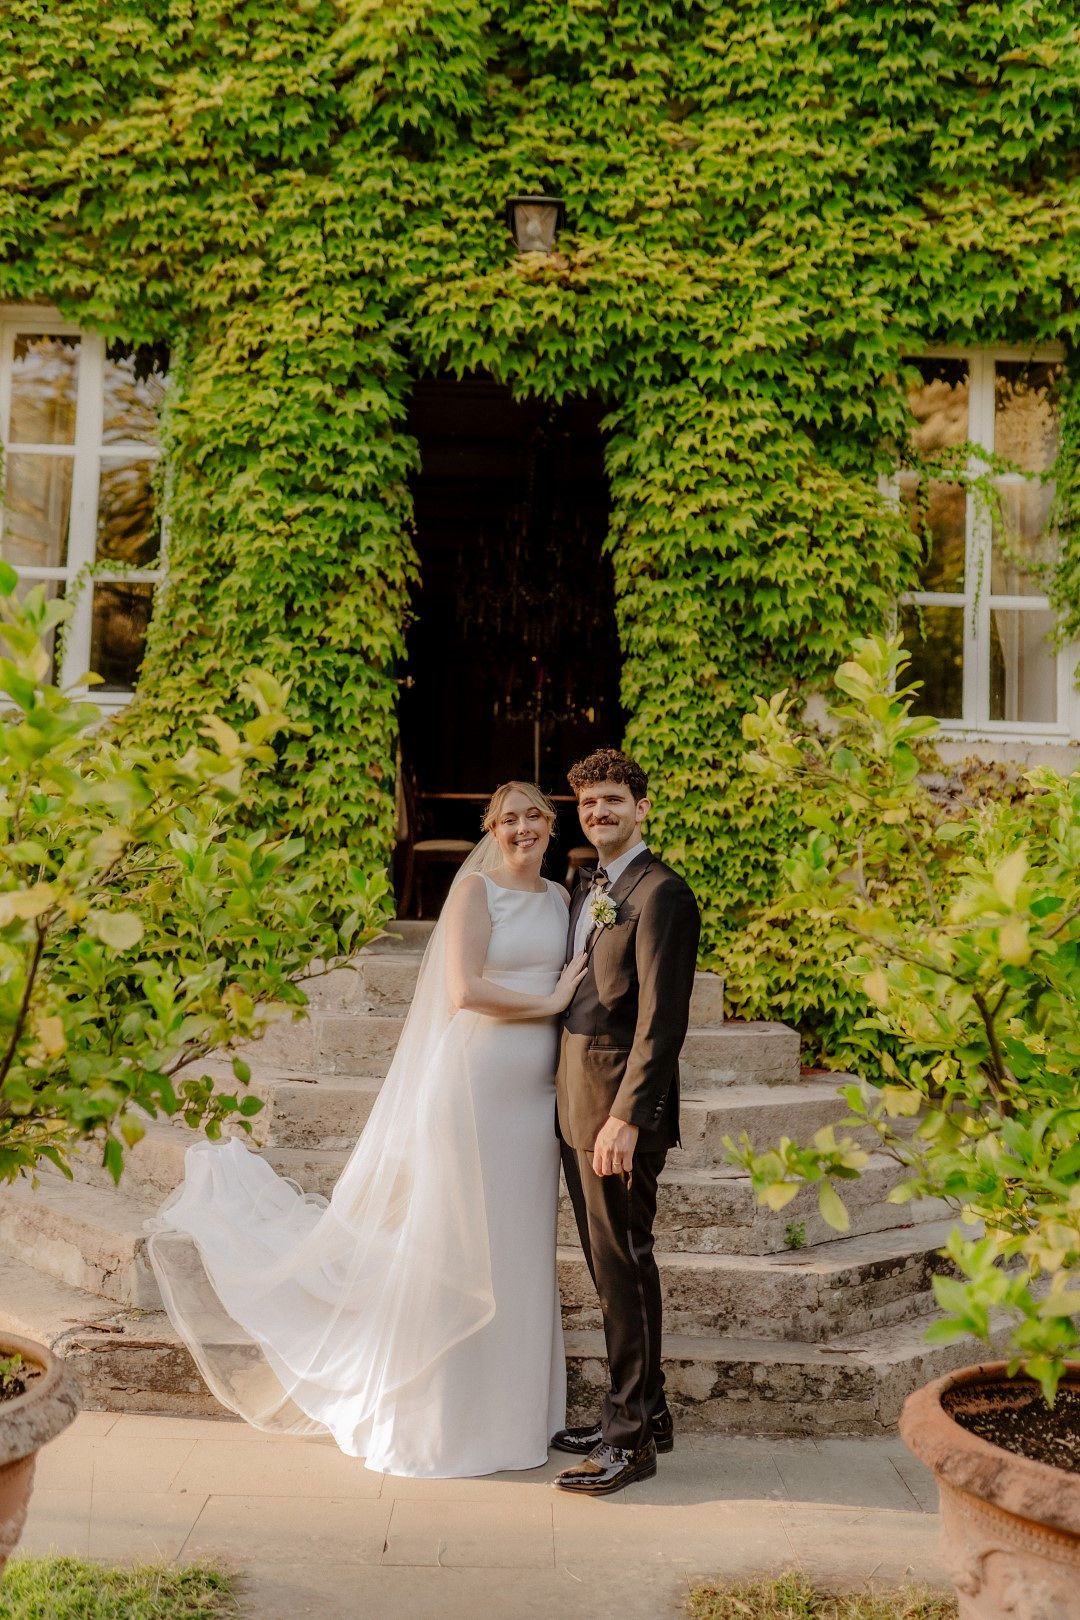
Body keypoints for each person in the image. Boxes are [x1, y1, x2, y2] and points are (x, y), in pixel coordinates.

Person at [146, 782, 587, 1479]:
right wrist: (554, 998)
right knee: (461, 1243)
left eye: (535, 816)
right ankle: (443, 1423)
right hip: (473, 1091)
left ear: (551, 824)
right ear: (492, 830)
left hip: (533, 1100)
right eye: (509, 819)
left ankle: (516, 1418)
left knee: (518, 1245)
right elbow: (464, 991)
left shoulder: (562, 899)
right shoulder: (476, 894)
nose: (523, 827)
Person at [550, 747, 701, 1496]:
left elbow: (661, 1019)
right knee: (613, 1270)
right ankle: (649, 1412)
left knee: (623, 1269)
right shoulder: (594, 883)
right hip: (578, 1099)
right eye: (588, 804)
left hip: (616, 1111)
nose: (599, 812)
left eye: (613, 800)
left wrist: (628, 1118)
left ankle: (628, 1440)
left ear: (643, 808)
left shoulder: (662, 892)